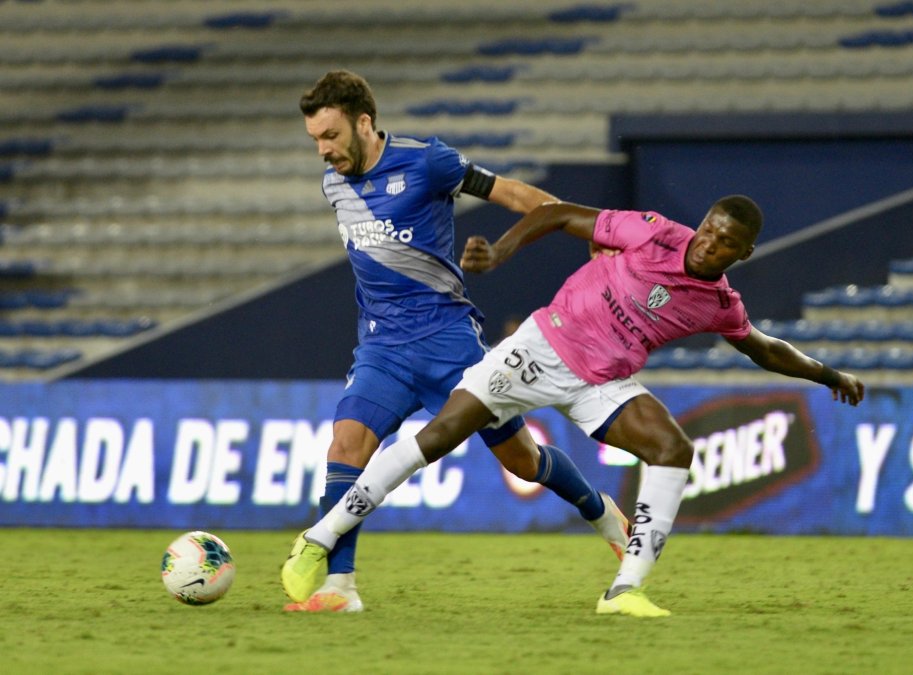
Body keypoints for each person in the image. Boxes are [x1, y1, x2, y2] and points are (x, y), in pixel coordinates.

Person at [282, 195, 866, 617]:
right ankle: (320, 538)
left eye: (725, 243)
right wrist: (504, 251)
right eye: (709, 230)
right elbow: (558, 214)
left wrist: (827, 373)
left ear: (743, 254)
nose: (708, 243)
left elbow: (763, 348)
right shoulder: (655, 232)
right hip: (541, 347)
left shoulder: (718, 303)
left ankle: (625, 591)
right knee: (439, 437)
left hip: (600, 381)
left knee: (673, 448)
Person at [280, 70, 630, 613]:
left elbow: (513, 193)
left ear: (363, 122)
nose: (323, 151)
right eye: (315, 141)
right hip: (382, 348)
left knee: (521, 459)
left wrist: (591, 230)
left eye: (330, 136)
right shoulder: (334, 183)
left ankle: (602, 513)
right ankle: (340, 587)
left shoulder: (428, 162)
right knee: (346, 447)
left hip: (449, 343)